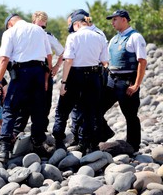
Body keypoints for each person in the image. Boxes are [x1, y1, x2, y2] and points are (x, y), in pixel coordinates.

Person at [0, 13, 52, 162]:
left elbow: (4, 58)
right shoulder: (39, 30)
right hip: (38, 72)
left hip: (21, 73)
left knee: (10, 109)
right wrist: (46, 79)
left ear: (10, 23)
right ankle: (38, 145)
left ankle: (4, 148)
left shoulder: (10, 32)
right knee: (38, 110)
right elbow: (49, 56)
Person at [52, 13, 109, 154]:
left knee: (63, 109)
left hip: (75, 75)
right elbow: (105, 60)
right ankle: (86, 143)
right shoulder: (99, 36)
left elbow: (69, 60)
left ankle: (59, 141)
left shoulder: (73, 37)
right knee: (89, 111)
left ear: (76, 24)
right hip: (94, 76)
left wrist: (64, 82)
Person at [67, 9, 114, 147]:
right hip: (90, 74)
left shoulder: (97, 34)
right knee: (80, 108)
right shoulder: (93, 34)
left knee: (90, 108)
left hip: (94, 73)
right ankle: (80, 136)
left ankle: (90, 138)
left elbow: (103, 59)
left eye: (72, 23)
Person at [102, 9, 147, 152]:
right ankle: (105, 134)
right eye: (112, 20)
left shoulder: (135, 37)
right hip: (111, 80)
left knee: (130, 114)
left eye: (115, 19)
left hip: (127, 81)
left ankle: (133, 146)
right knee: (97, 109)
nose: (112, 23)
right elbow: (107, 60)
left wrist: (136, 85)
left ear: (124, 19)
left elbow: (142, 61)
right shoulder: (114, 39)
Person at [13, 11, 64, 135]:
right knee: (24, 106)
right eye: (39, 26)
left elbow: (62, 52)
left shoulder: (48, 36)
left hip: (44, 72)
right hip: (28, 73)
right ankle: (16, 133)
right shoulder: (24, 34)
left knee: (44, 107)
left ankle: (40, 136)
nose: (41, 29)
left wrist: (56, 67)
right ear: (33, 22)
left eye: (43, 27)